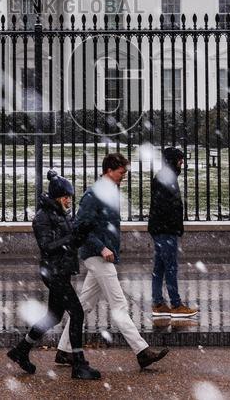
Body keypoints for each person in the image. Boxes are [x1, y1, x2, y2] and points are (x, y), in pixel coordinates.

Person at [54, 153, 169, 371]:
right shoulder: (94, 194)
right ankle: (142, 351)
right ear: (109, 170)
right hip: (98, 256)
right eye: (121, 172)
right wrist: (101, 247)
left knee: (84, 306)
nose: (123, 176)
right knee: (119, 305)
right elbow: (80, 227)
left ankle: (64, 350)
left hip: (101, 254)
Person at [7, 171, 100, 380]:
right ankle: (78, 364)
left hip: (61, 271)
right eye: (66, 196)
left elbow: (70, 241)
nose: (69, 200)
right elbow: (47, 246)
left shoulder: (60, 213)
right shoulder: (42, 217)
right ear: (57, 197)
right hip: (54, 272)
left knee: (54, 316)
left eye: (70, 197)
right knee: (77, 313)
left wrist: (82, 232)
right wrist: (72, 238)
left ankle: (21, 350)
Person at [148, 148, 198, 318]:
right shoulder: (166, 179)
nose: (181, 164)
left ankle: (158, 303)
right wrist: (175, 227)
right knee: (170, 267)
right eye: (179, 161)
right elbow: (167, 208)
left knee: (160, 267)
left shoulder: (163, 177)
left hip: (160, 229)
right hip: (165, 230)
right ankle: (175, 305)